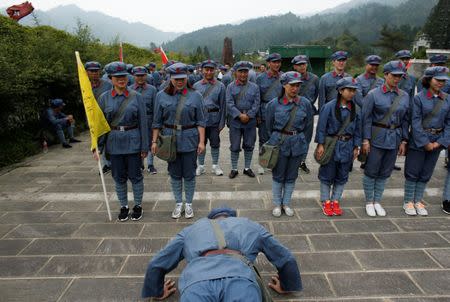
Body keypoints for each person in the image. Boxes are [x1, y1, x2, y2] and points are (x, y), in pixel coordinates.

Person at [142, 207, 302, 301]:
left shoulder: (193, 228)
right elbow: (286, 257)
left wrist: (157, 291)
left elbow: (157, 263)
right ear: (232, 216)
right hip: (241, 280)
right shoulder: (248, 225)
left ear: (210, 218)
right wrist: (287, 285)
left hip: (197, 282)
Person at [151, 62, 206, 219]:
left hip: (190, 138)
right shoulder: (161, 95)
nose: (179, 81)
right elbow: (156, 122)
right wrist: (154, 142)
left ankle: (188, 203)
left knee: (189, 173)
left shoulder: (196, 96)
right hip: (169, 140)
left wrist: (201, 142)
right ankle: (178, 202)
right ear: (170, 78)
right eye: (176, 79)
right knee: (174, 173)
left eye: (182, 78)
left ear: (187, 77)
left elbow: (201, 121)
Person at [96, 61, 149, 222]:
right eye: (117, 77)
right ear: (110, 78)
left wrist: (144, 145)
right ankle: (124, 206)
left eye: (124, 76)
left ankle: (138, 205)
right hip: (114, 143)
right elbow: (101, 125)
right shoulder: (104, 98)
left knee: (136, 176)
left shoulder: (136, 97)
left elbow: (143, 123)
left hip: (133, 141)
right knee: (118, 177)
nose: (121, 80)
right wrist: (98, 147)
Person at [361, 61, 410, 217]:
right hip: (376, 136)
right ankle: (369, 201)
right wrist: (366, 140)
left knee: (385, 171)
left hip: (394, 138)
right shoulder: (373, 94)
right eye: (394, 75)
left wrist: (404, 140)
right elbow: (366, 118)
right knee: (371, 170)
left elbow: (405, 120)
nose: (397, 79)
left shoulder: (404, 96)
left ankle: (377, 200)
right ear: (386, 75)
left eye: (399, 76)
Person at [403, 67, 450, 216]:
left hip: (438, 140)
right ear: (429, 79)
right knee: (413, 171)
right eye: (438, 80)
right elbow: (415, 122)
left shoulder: (447, 98)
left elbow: (449, 123)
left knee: (426, 172)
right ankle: (408, 201)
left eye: (443, 80)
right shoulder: (419, 98)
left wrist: (440, 142)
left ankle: (418, 200)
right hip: (419, 139)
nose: (440, 83)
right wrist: (425, 142)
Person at [265, 72, 313, 217]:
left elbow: (308, 126)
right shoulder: (274, 104)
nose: (295, 88)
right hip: (279, 143)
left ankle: (286, 203)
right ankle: (277, 204)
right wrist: (275, 140)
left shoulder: (305, 103)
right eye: (292, 85)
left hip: (297, 143)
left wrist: (303, 142)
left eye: (298, 85)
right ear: (284, 85)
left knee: (292, 175)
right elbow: (269, 126)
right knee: (278, 175)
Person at [315, 77, 361, 216]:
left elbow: (358, 129)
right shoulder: (328, 107)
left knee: (343, 174)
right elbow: (321, 127)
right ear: (340, 91)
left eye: (354, 90)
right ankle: (325, 201)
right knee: (327, 174)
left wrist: (356, 146)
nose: (352, 93)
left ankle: (336, 200)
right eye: (349, 90)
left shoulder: (356, 109)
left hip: (348, 145)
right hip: (331, 145)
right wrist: (320, 144)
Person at [226, 61, 260, 179]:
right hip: (235, 121)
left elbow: (256, 103)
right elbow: (229, 104)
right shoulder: (230, 87)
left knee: (249, 145)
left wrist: (249, 115)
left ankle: (247, 168)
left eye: (245, 71)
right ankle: (234, 169)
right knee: (235, 146)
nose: (243, 74)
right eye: (240, 72)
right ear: (236, 73)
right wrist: (240, 115)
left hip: (250, 121)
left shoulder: (255, 87)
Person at [194, 60, 227, 176]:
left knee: (215, 143)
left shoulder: (221, 86)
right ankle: (201, 166)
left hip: (214, 119)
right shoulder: (196, 86)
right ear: (202, 70)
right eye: (206, 69)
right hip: (200, 120)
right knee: (200, 143)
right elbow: (194, 105)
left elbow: (223, 105)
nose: (209, 72)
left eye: (211, 70)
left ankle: (215, 165)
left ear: (215, 70)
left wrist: (222, 122)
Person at [256, 53, 283, 175]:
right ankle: (263, 162)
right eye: (274, 62)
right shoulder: (260, 78)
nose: (276, 64)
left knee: (277, 137)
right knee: (263, 138)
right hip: (265, 110)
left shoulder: (284, 77)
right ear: (268, 63)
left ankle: (274, 161)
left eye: (278, 62)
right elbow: (257, 98)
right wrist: (257, 115)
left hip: (280, 111)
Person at [292, 54, 320, 174]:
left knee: (306, 139)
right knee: (292, 137)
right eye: (299, 64)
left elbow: (318, 94)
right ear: (294, 66)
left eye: (304, 64)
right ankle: (293, 161)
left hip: (308, 113)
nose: (302, 66)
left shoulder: (314, 79)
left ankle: (302, 161)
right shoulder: (290, 79)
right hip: (293, 113)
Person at [355, 55, 384, 170]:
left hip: (376, 117)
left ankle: (368, 160)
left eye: (376, 65)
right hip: (362, 115)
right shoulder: (359, 80)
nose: (374, 67)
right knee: (361, 138)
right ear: (366, 65)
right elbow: (358, 98)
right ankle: (357, 160)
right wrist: (371, 107)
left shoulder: (381, 81)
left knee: (372, 138)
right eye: (372, 65)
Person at [130, 66, 158, 174]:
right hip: (135, 121)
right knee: (138, 141)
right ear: (134, 76)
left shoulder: (152, 89)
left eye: (142, 75)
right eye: (138, 76)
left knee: (151, 142)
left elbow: (156, 107)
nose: (140, 78)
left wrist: (156, 123)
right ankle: (140, 164)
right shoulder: (130, 89)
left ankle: (150, 164)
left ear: (146, 76)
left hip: (149, 119)